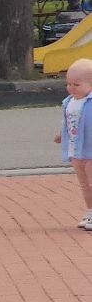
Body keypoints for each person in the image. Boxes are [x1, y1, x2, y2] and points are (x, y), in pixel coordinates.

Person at [58, 58, 92, 230]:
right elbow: (69, 123)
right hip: (75, 151)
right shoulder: (69, 102)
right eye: (68, 84)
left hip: (90, 150)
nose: (71, 88)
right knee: (84, 184)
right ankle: (90, 210)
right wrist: (61, 135)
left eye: (76, 85)